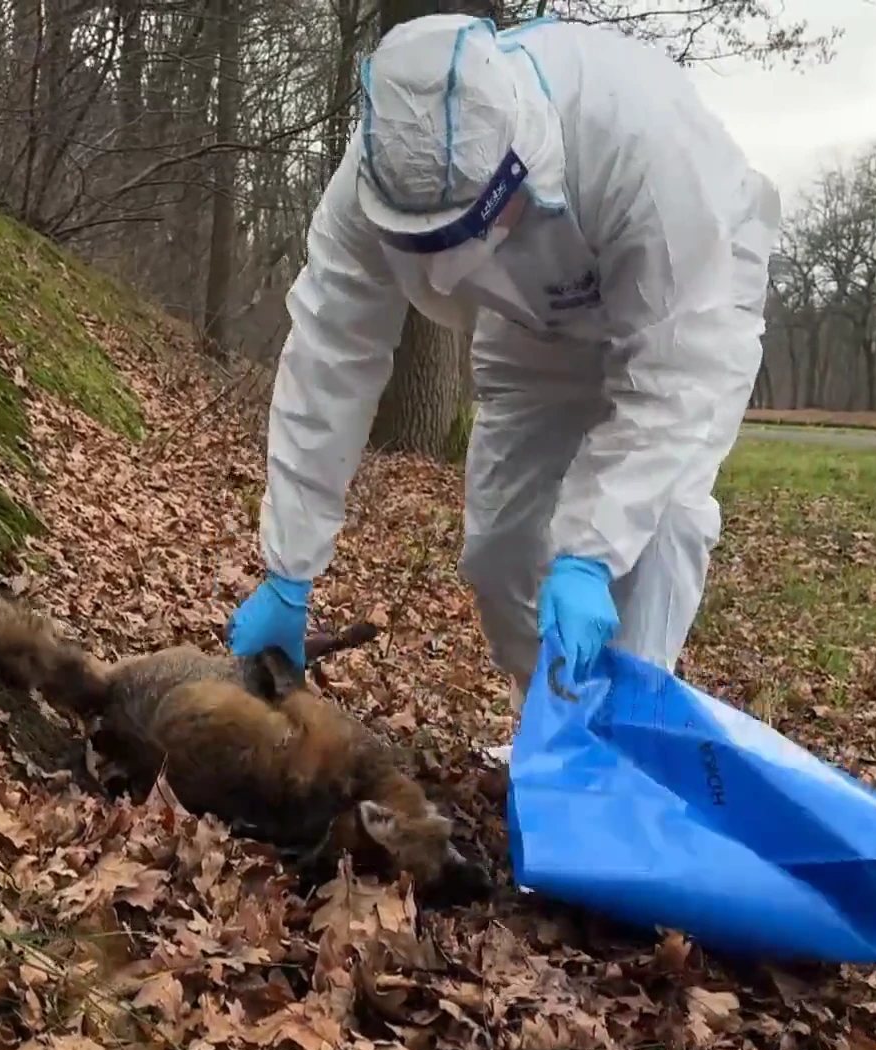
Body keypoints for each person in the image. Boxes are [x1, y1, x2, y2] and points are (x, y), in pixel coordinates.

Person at [225, 12, 781, 716]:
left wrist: (591, 553)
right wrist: (288, 569)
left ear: (519, 168)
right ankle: (550, 726)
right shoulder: (375, 180)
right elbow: (328, 361)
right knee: (502, 553)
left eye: (459, 234)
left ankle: (623, 757)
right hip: (530, 318)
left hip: (690, 299)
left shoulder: (638, 147)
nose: (445, 267)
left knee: (653, 534)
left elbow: (673, 379)